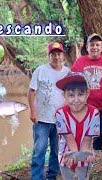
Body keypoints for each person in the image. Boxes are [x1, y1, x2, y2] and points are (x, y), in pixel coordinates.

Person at [71, 33, 102, 150]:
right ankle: (90, 158)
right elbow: (71, 82)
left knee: (97, 131)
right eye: (92, 45)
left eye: (97, 45)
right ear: (87, 47)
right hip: (84, 108)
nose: (94, 47)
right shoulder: (79, 62)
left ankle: (95, 157)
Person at [28, 42, 69, 180]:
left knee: (56, 151)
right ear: (49, 56)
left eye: (59, 54)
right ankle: (36, 177)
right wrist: (33, 112)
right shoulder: (40, 70)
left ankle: (51, 176)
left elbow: (73, 94)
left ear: (62, 55)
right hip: (42, 120)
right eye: (53, 54)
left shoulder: (67, 72)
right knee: (39, 150)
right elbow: (31, 92)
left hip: (60, 120)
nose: (56, 57)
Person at [55, 72, 100, 180]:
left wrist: (82, 157)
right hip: (66, 156)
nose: (76, 100)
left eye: (80, 94)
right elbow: (69, 138)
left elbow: (87, 140)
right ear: (64, 95)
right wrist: (74, 156)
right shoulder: (60, 114)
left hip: (85, 155)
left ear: (87, 93)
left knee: (83, 177)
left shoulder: (94, 113)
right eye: (71, 95)